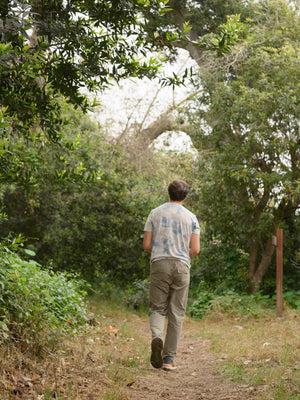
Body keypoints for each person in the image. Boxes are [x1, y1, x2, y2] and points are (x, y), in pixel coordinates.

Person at [143, 179, 200, 371]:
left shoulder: (154, 213)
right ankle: (168, 360)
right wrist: (182, 255)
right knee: (177, 313)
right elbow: (195, 249)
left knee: (158, 308)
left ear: (169, 193)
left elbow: (146, 246)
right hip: (182, 265)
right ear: (185, 195)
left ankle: (157, 336)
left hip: (159, 263)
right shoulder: (191, 218)